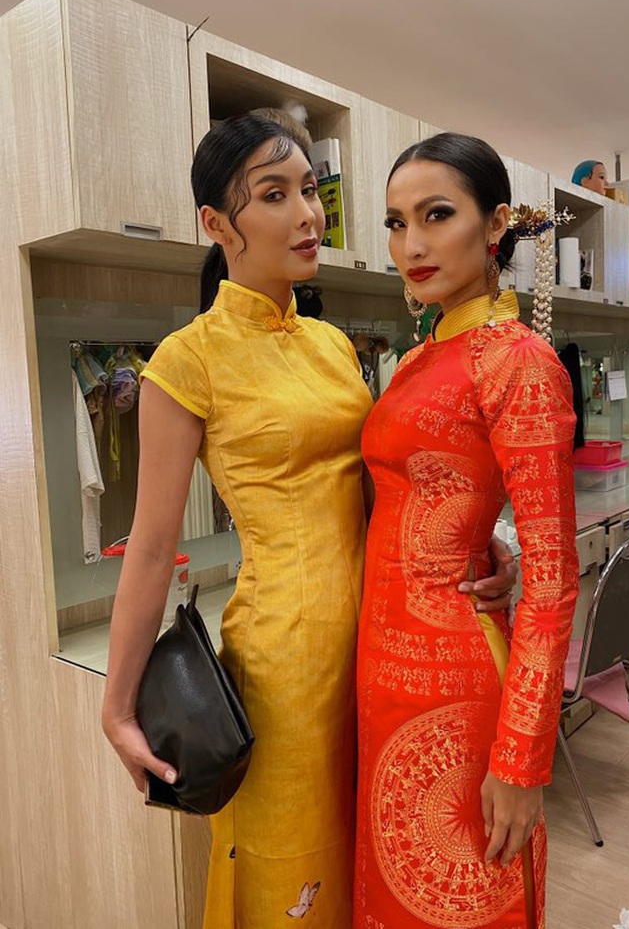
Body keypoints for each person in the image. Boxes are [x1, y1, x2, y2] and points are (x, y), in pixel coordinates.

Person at [101, 114, 517, 928]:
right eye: (274, 195)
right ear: (216, 224)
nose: (306, 215)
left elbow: (378, 493)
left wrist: (479, 544)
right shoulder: (187, 359)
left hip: (383, 645)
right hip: (285, 664)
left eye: (309, 192)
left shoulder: (332, 347)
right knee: (295, 877)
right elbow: (150, 549)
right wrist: (117, 708)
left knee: (377, 866)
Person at [355, 133, 580, 928]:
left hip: (457, 681)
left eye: (436, 215)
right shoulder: (423, 355)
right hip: (384, 671)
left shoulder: (519, 362)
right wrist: (489, 544)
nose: (410, 245)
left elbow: (555, 578)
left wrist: (522, 758)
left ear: (496, 225)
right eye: (396, 222)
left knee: (462, 899)